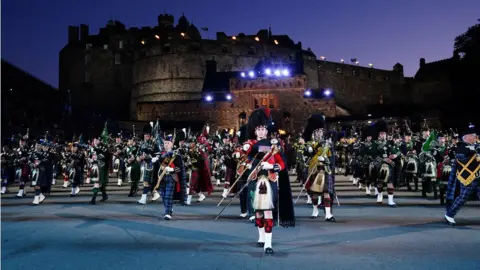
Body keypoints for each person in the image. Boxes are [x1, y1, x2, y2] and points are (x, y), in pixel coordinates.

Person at [244, 108, 295, 255]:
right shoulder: (250, 144)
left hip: (269, 180)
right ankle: (261, 237)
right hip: (255, 180)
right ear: (255, 131)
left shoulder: (274, 144)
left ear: (266, 130)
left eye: (263, 129)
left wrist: (272, 166)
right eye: (258, 129)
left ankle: (268, 243)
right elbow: (240, 158)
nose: (261, 131)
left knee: (267, 212)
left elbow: (282, 163)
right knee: (258, 212)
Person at [445, 123, 479, 225]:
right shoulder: (461, 146)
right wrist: (476, 151)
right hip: (467, 177)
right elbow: (463, 157)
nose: (475, 137)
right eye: (473, 135)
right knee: (462, 197)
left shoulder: (475, 146)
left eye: (475, 135)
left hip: (478, 176)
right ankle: (449, 214)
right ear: (466, 137)